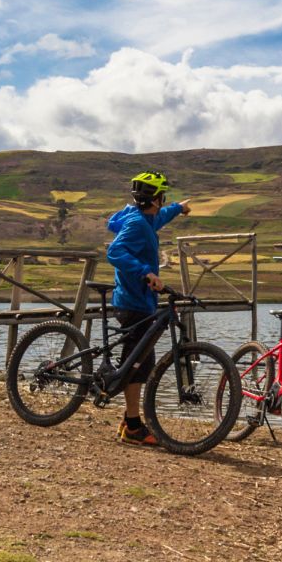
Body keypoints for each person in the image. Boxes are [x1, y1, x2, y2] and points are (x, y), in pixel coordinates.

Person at [106, 171, 191, 445]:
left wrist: (178, 208)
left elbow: (159, 218)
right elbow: (115, 252)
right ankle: (132, 427)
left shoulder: (144, 219)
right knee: (138, 365)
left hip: (137, 300)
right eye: (163, 197)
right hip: (134, 301)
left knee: (139, 362)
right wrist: (147, 272)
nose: (163, 201)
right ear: (156, 198)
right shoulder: (138, 225)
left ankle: (129, 420)